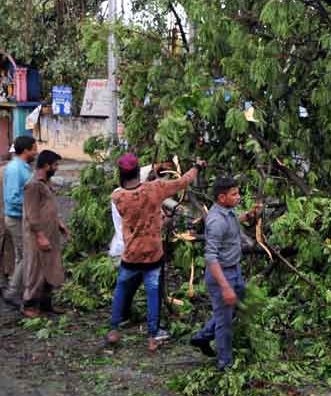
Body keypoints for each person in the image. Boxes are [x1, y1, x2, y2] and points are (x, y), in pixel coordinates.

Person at [106, 153, 203, 351]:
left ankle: (114, 330)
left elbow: (137, 210)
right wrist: (198, 167)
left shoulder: (117, 197)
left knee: (121, 291)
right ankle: (152, 336)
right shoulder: (155, 188)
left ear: (121, 173)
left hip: (131, 254)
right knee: (152, 294)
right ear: (137, 170)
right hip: (152, 253)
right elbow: (183, 181)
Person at [190, 178, 261, 370]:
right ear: (222, 197)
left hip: (234, 270)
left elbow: (233, 221)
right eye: (234, 194)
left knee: (232, 309)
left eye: (238, 193)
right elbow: (211, 258)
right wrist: (225, 287)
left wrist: (247, 215)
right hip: (222, 274)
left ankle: (202, 337)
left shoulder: (227, 213)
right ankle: (225, 364)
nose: (238, 197)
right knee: (224, 322)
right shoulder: (215, 222)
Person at [21, 150, 68, 317]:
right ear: (47, 165)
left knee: (50, 268)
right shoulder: (33, 185)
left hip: (50, 233)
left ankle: (46, 304)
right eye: (55, 165)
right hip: (38, 236)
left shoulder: (46, 183)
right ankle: (29, 305)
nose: (56, 168)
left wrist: (60, 224)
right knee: (36, 269)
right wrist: (40, 236)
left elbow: (48, 208)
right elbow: (31, 214)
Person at [2, 135, 38, 310]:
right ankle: (12, 292)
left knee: (22, 256)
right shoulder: (16, 169)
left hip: (19, 217)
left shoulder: (22, 167)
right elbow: (13, 197)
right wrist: (33, 204)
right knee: (27, 256)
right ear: (26, 151)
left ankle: (22, 289)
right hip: (17, 218)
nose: (36, 152)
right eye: (34, 149)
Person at [0, 152, 16, 294]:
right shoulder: (20, 172)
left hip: (2, 214)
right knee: (18, 247)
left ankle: (3, 280)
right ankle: (17, 281)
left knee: (2, 246)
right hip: (18, 215)